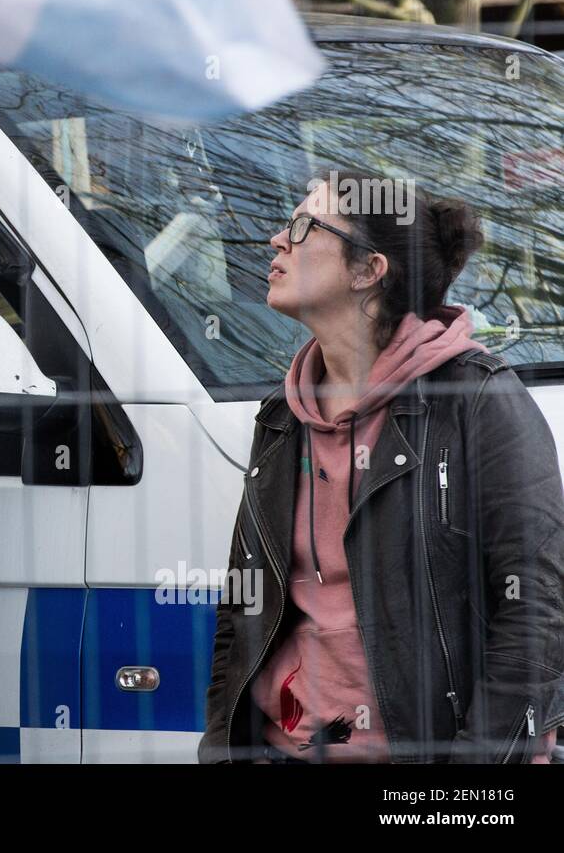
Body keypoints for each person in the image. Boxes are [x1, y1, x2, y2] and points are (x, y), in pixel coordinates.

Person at [199, 169, 564, 763]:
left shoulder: (475, 400)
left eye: (302, 226)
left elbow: (537, 613)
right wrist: (222, 747)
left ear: (369, 271)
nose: (276, 240)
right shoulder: (282, 416)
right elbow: (242, 603)